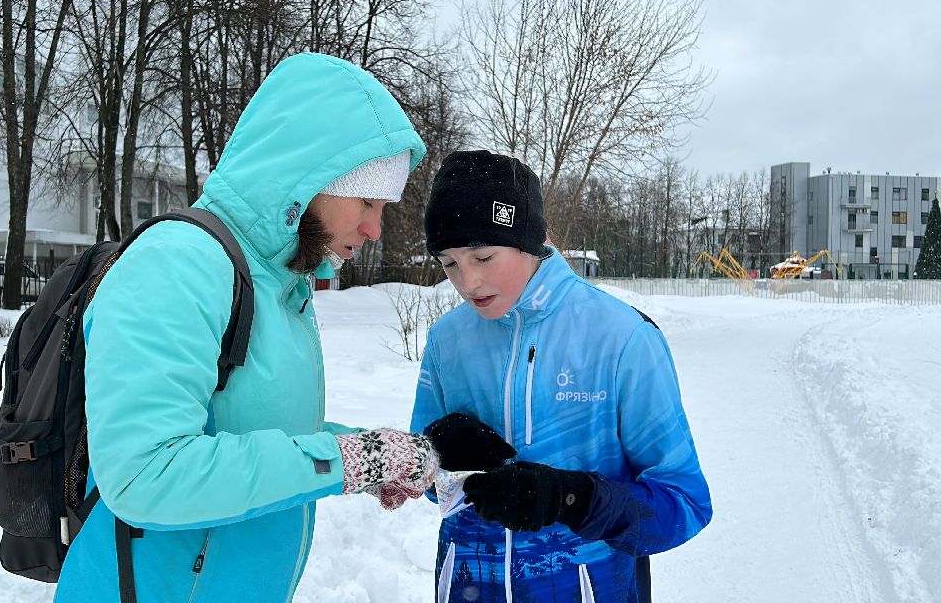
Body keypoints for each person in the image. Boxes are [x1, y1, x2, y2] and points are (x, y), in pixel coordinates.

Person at [54, 53, 438, 603]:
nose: (375, 228)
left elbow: (247, 427)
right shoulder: (177, 263)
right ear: (311, 178)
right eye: (368, 201)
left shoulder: (277, 285)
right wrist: (344, 462)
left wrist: (365, 451)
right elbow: (148, 473)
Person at [411, 150, 712, 602]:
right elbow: (426, 481)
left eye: (483, 256)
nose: (467, 282)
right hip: (469, 588)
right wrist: (435, 449)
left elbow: (684, 503)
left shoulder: (622, 337)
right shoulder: (447, 340)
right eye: (449, 263)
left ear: (529, 243)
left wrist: (574, 499)